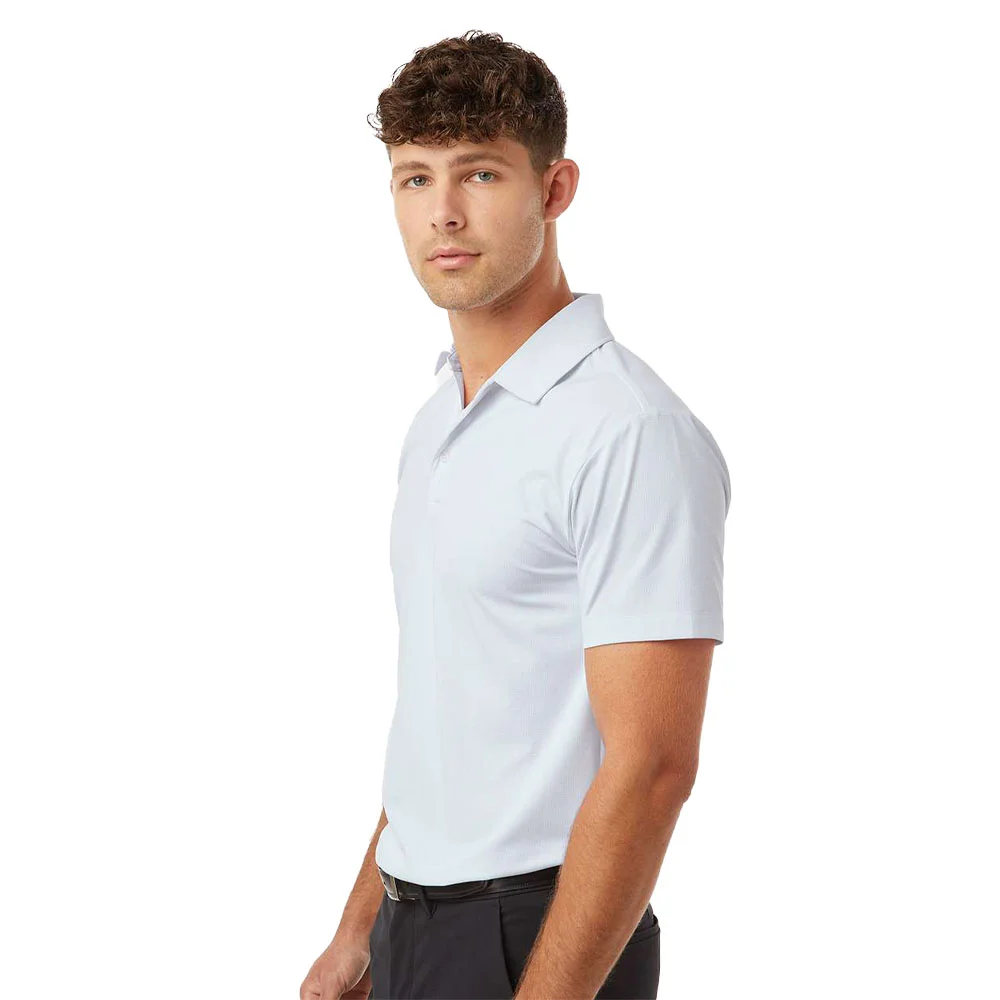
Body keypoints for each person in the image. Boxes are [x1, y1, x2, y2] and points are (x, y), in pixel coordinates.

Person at [300, 29, 731, 1000]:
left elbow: (654, 765)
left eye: (481, 173)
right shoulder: (440, 419)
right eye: (415, 178)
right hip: (410, 924)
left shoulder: (629, 431)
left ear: (555, 188)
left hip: (541, 935)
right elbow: (450, 710)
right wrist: (359, 928)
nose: (443, 213)